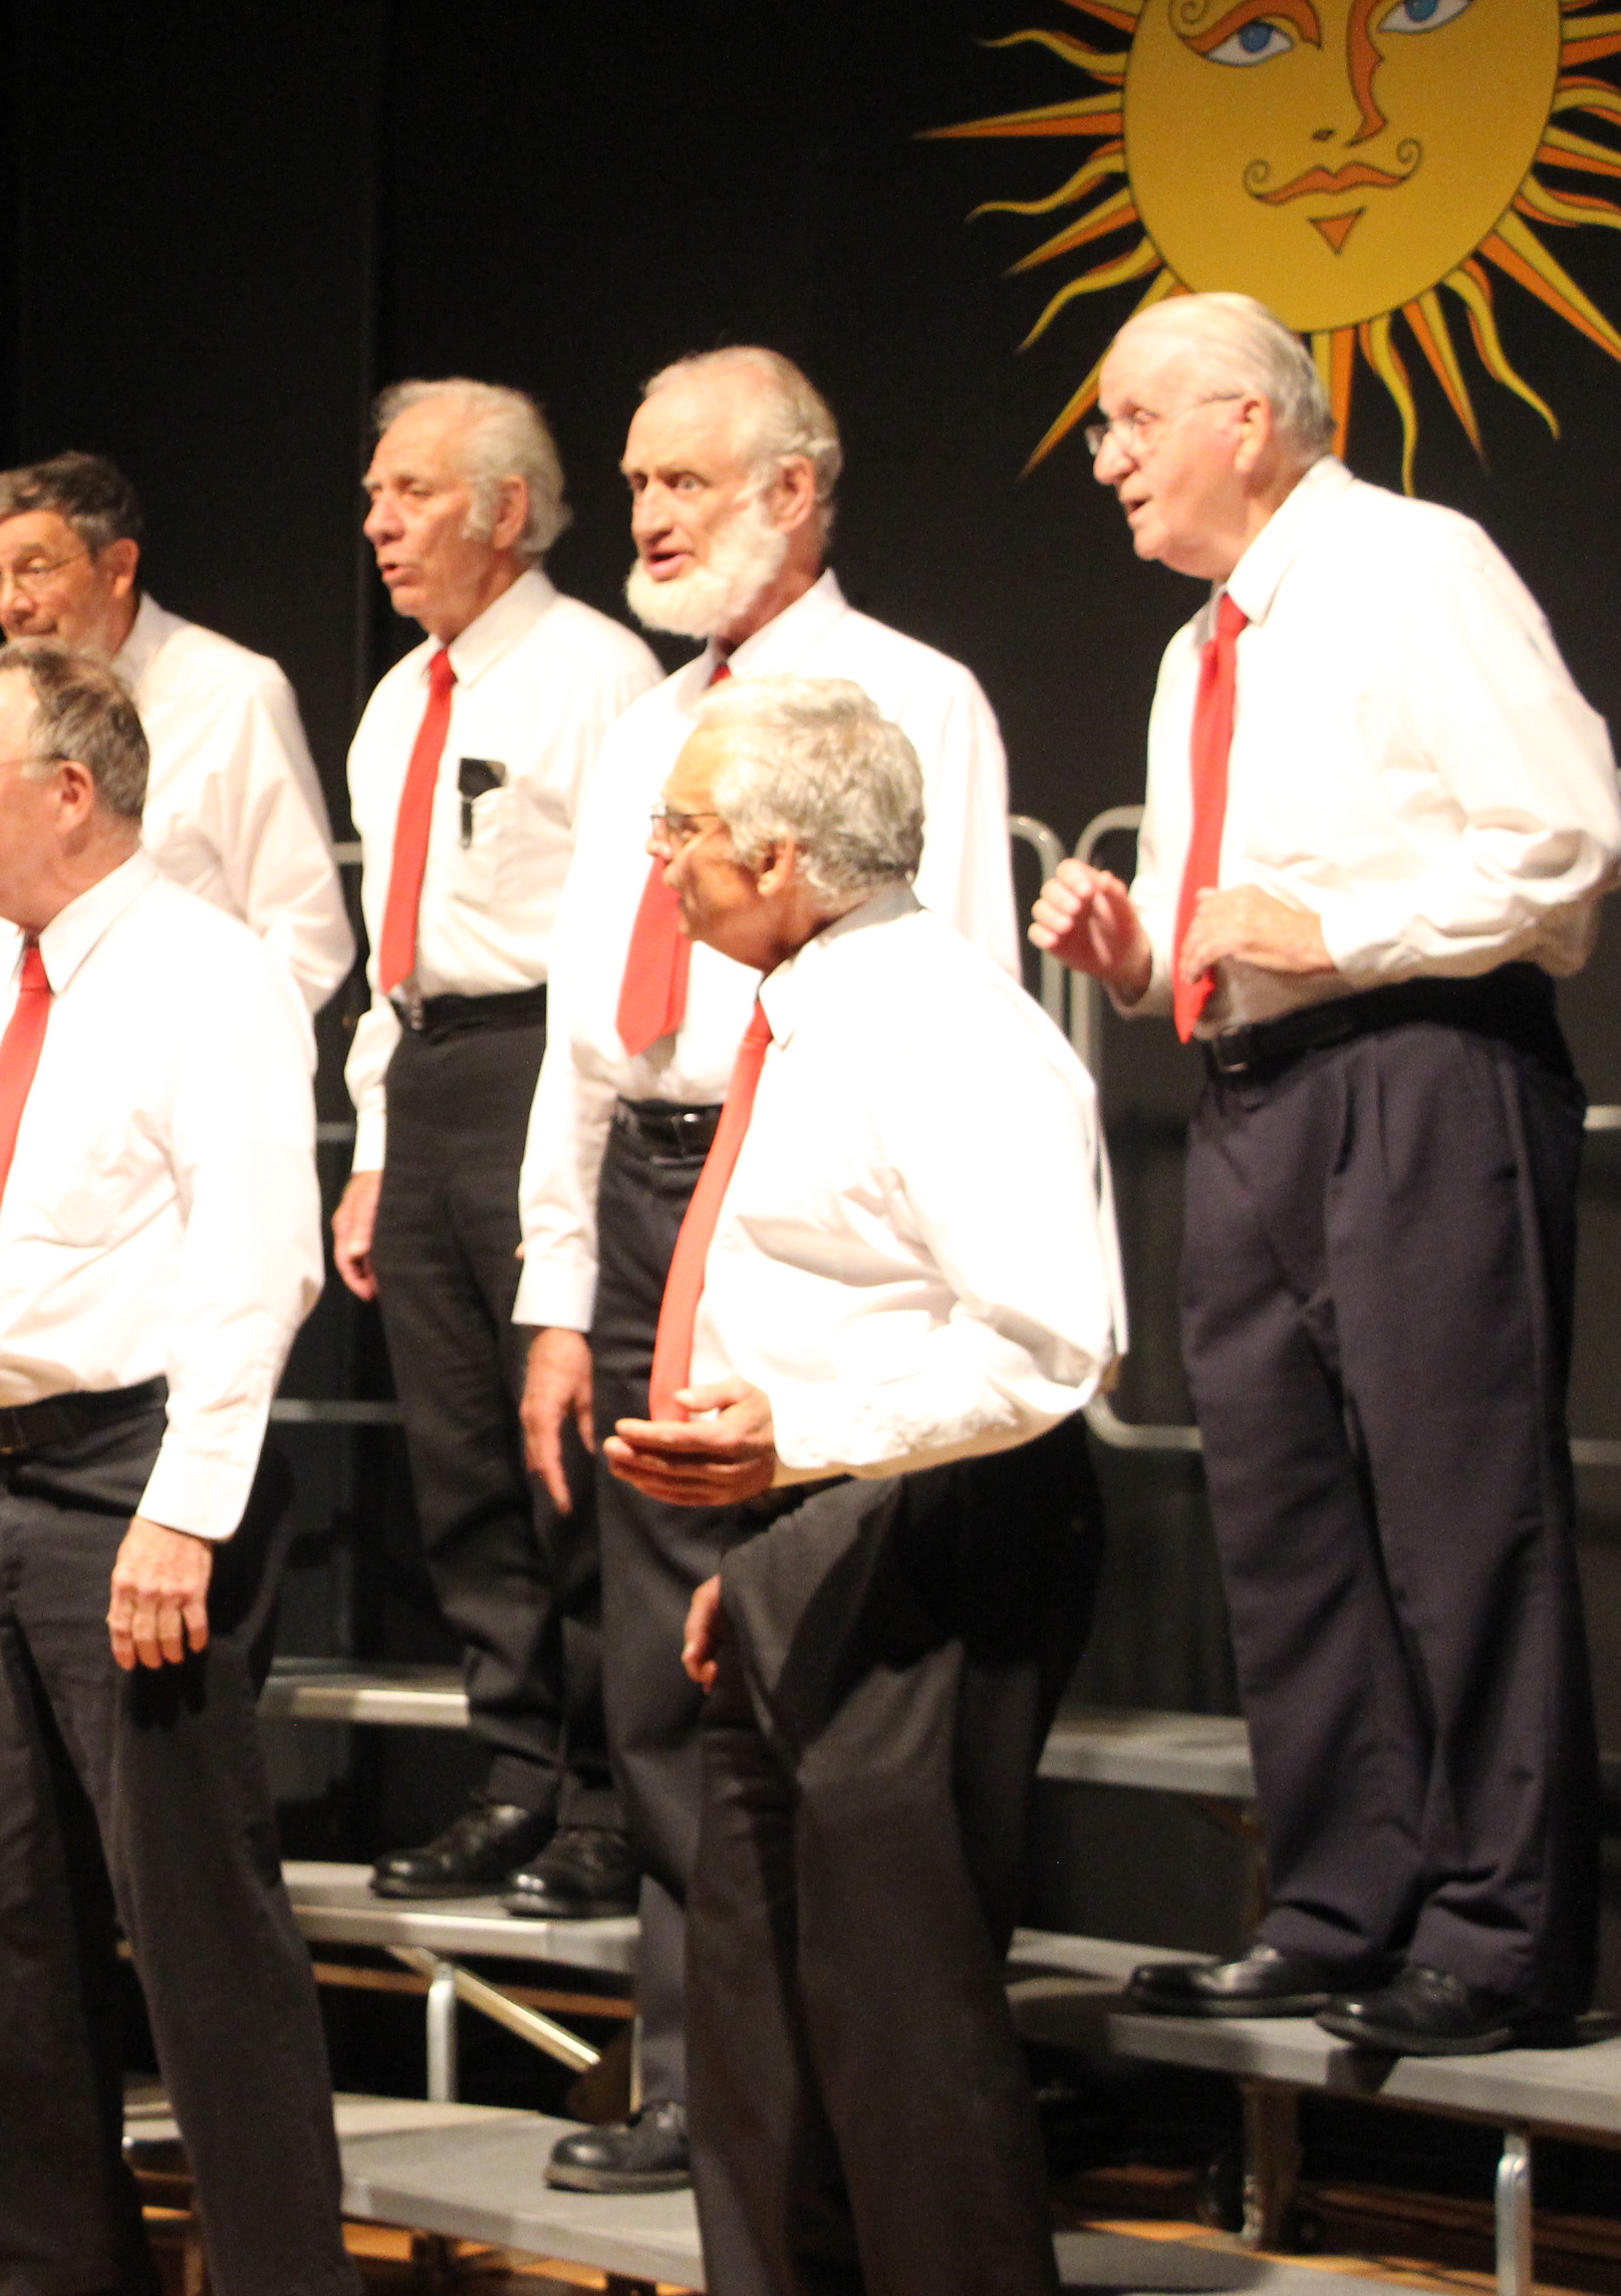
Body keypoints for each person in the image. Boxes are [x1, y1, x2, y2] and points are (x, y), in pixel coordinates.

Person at [1034, 290, 1621, 2057]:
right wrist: (1138, 954)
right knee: (1284, 1518)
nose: (1107, 460)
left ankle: (1500, 1933)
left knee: (1461, 1511)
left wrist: (1338, 930)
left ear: (1246, 419)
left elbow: (1568, 838)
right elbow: (1226, 928)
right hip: (1253, 1096)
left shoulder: (1412, 567)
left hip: (1424, 1073)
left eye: (1132, 421)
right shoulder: (1197, 647)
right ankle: (1337, 1902)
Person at [513, 346, 1022, 2193]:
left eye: (685, 482)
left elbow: (955, 994)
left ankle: (844, 2096)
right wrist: (556, 1287)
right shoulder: (645, 725)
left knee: (820, 1647)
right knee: (659, 1672)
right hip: (655, 1186)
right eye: (638, 480)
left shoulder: (914, 695)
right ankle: (701, 2074)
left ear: (795, 491)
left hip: (820, 1200)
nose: (646, 516)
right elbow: (584, 1017)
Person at [618, 677, 1120, 2296]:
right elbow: (822, 1298)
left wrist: (804, 1457)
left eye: (684, 828)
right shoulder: (805, 1012)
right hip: (819, 1528)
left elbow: (1050, 1340)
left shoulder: (947, 1028)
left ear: (778, 856)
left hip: (940, 1526)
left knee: (903, 2034)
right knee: (755, 2040)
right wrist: (769, 1548)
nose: (662, 859)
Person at [0, 643, 353, 2296]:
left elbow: (259, 1256)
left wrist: (184, 1509)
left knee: (201, 1936)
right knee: (7, 1929)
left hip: (139, 1482)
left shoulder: (204, 974)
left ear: (69, 793)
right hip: (5, 1476)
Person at [338, 378, 663, 1912]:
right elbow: (387, 954)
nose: (379, 522)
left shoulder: (599, 675)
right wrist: (373, 1143)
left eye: (410, 491)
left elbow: (627, 928)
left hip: (551, 1059)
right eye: (375, 494)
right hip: (429, 1075)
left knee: (563, 1449)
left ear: (507, 510)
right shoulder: (398, 699)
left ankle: (609, 1791)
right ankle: (516, 1772)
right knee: (459, 1459)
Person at [0, 449, 351, 1125]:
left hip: (178, 1105)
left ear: (117, 567)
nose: (12, 603)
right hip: (21, 1102)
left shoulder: (230, 695)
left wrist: (221, 1067)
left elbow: (305, 929)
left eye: (36, 568)